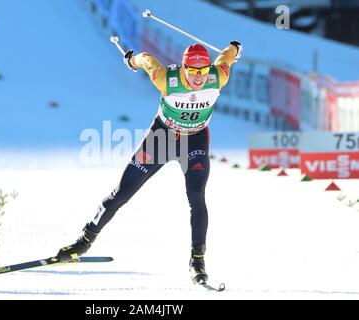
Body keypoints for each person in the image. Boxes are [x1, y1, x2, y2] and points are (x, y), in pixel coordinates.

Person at [56, 40, 242, 284]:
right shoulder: (165, 79)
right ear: (184, 67)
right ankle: (84, 241)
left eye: (203, 71)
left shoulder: (218, 76)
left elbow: (227, 56)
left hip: (194, 142)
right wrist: (131, 60)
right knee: (121, 194)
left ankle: (197, 260)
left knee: (197, 197)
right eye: (193, 71)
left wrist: (236, 47)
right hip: (161, 138)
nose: (198, 77)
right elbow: (146, 59)